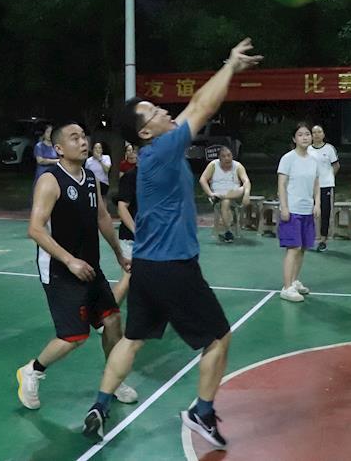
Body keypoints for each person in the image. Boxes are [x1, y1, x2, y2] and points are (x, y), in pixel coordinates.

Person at [81, 38, 262, 449]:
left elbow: (190, 109)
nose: (164, 111)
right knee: (218, 338)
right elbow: (201, 106)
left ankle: (100, 405)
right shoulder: (162, 149)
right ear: (146, 131)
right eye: (154, 111)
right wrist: (230, 66)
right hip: (174, 267)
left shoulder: (153, 152)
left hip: (146, 267)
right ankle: (202, 413)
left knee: (133, 339)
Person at [17, 121, 136, 412]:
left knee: (112, 320)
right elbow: (35, 229)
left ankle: (112, 379)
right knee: (73, 337)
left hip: (89, 267)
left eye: (84, 136)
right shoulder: (50, 180)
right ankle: (32, 370)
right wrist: (69, 260)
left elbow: (102, 217)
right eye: (74, 138)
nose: (83, 142)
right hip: (60, 271)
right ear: (59, 148)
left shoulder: (90, 177)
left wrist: (119, 253)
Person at [276, 123, 320, 302]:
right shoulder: (288, 158)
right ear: (294, 139)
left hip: (307, 210)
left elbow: (316, 183)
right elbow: (282, 184)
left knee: (302, 248)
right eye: (300, 134)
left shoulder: (314, 159)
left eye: (307, 134)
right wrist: (284, 207)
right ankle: (286, 288)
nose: (305, 137)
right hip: (292, 210)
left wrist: (317, 204)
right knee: (293, 248)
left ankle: (294, 281)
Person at [198, 146, 251, 243]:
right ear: (219, 158)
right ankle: (228, 231)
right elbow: (202, 180)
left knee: (243, 188)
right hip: (216, 194)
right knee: (225, 202)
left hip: (234, 193)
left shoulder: (238, 166)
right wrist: (210, 194)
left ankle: (222, 197)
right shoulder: (213, 165)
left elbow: (246, 181)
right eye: (224, 156)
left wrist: (246, 194)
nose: (227, 158)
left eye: (229, 155)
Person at [309, 124, 340, 251]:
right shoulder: (307, 149)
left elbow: (336, 165)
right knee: (308, 211)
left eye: (319, 132)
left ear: (323, 134)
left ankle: (323, 239)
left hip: (325, 186)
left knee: (325, 212)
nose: (316, 135)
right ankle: (309, 237)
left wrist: (329, 177)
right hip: (309, 186)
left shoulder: (329, 149)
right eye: (314, 132)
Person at [112, 165, 138, 303]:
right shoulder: (130, 177)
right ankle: (107, 313)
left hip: (152, 239)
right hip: (131, 239)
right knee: (129, 277)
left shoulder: (155, 175)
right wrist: (137, 232)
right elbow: (122, 209)